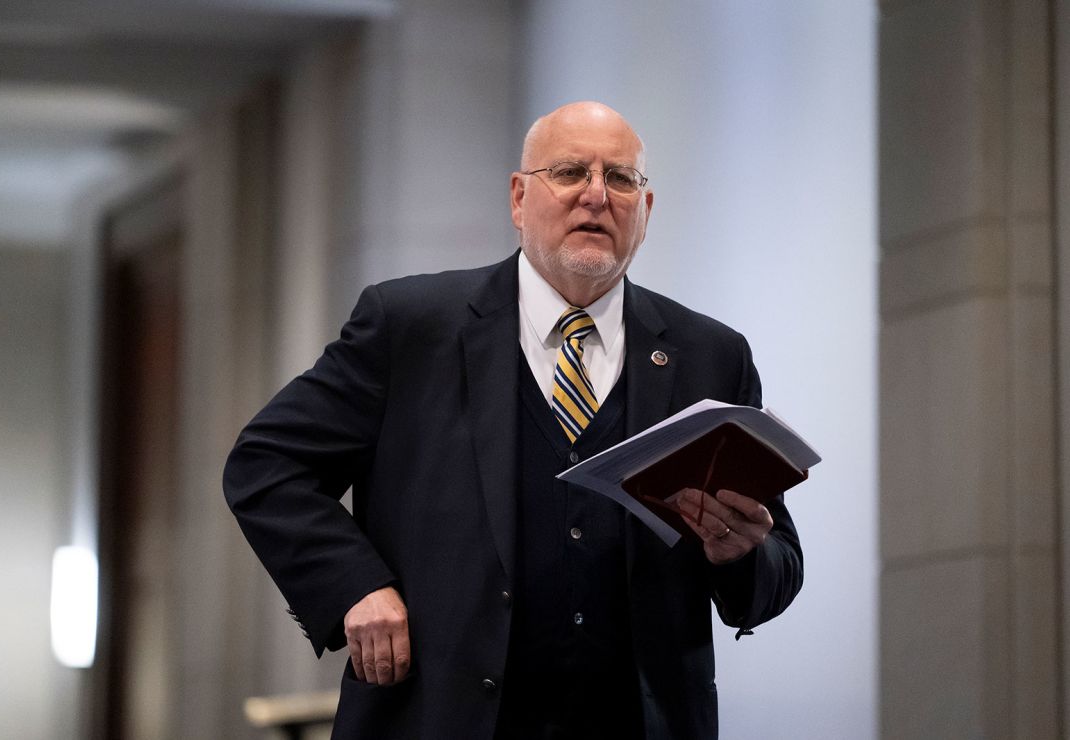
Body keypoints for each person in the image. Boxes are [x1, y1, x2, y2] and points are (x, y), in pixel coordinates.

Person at [223, 101, 802, 739]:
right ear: (519, 198)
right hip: (438, 716)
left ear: (646, 209)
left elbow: (775, 571)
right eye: (569, 172)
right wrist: (356, 586)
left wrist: (737, 554)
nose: (595, 196)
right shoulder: (412, 325)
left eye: (621, 179)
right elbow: (266, 465)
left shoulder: (709, 355)